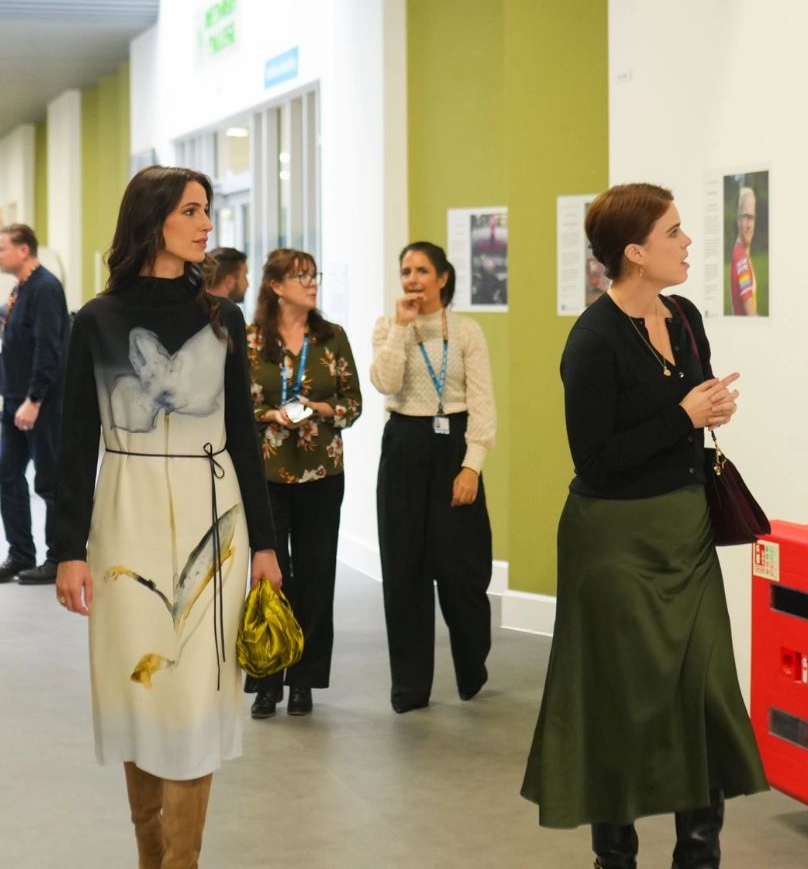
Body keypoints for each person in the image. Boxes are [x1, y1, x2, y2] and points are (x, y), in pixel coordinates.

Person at [522, 182, 765, 869]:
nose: (688, 243)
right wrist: (682, 418)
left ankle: (698, 855)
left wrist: (710, 408)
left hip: (684, 536)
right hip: (614, 542)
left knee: (705, 691)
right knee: (619, 698)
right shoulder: (593, 340)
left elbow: (689, 410)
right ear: (633, 252)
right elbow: (596, 461)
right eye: (674, 233)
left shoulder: (684, 316)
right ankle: (616, 856)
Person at [51, 165, 282, 869]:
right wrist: (68, 548)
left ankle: (181, 863)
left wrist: (267, 545)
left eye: (207, 210)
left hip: (218, 522)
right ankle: (151, 858)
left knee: (196, 701)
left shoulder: (225, 317)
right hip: (127, 519)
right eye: (192, 210)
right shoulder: (95, 320)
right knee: (142, 690)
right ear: (154, 221)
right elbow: (72, 445)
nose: (207, 223)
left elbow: (244, 436)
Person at [367, 241, 497, 713]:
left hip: (454, 448)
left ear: (443, 277)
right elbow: (386, 382)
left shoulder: (466, 331)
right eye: (405, 270)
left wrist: (471, 466)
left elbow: (483, 405)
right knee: (404, 573)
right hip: (403, 447)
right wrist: (401, 329)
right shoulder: (388, 326)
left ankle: (472, 666)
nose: (412, 279)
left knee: (464, 572)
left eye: (422, 270)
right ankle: (409, 688)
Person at [245, 248, 362, 719]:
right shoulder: (251, 340)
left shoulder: (331, 338)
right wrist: (269, 414)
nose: (312, 284)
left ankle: (304, 682)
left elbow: (353, 403)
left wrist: (322, 409)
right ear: (275, 286)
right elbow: (235, 406)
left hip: (321, 472)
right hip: (267, 475)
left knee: (316, 577)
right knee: (272, 577)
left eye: (314, 276)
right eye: (301, 277)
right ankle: (267, 680)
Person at [0, 223, 71, 586]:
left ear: (23, 250)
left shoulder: (46, 288)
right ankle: (20, 553)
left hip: (40, 403)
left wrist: (34, 398)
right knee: (8, 474)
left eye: (1, 248)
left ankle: (58, 558)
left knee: (50, 482)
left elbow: (49, 349)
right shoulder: (20, 289)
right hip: (13, 399)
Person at [728, 185, 759, 317]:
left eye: (751, 217)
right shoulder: (741, 258)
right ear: (738, 220)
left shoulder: (742, 254)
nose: (748, 224)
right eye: (745, 216)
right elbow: (750, 313)